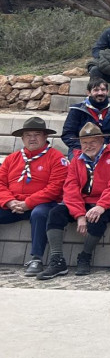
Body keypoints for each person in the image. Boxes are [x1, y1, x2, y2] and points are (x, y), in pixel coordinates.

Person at [37, 123, 110, 279]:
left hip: (108, 202)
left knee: (97, 219)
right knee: (55, 213)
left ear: (101, 141)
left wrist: (101, 206)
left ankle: (85, 255)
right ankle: (57, 260)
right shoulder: (76, 158)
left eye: (93, 141)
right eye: (85, 142)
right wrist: (79, 215)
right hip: (82, 202)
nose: (88, 146)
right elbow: (70, 188)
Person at [0, 117, 67, 277]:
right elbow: (1, 183)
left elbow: (55, 187)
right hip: (14, 204)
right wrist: (9, 201)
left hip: (43, 204)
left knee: (40, 214)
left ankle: (36, 258)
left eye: (37, 134)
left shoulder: (57, 158)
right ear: (22, 138)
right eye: (28, 135)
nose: (32, 138)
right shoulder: (11, 159)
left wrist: (28, 203)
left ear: (45, 137)